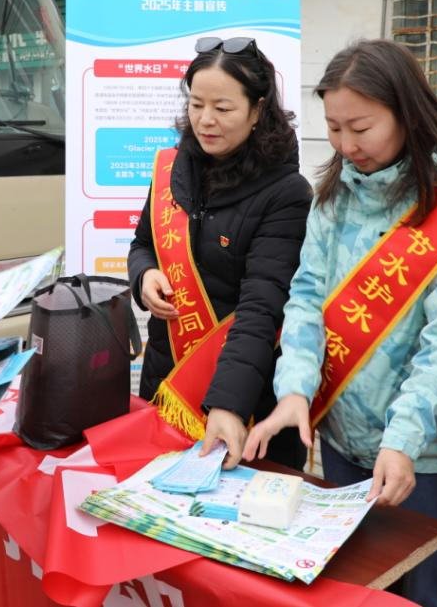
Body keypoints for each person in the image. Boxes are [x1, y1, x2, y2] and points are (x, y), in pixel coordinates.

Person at [244, 39, 437, 607]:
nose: (346, 145)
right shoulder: (333, 197)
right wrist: (294, 391)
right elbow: (306, 297)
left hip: (425, 455)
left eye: (360, 127)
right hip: (342, 437)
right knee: (349, 586)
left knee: (416, 588)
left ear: (407, 114)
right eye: (334, 128)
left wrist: (403, 442)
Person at [128, 36, 312, 470]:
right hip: (167, 379)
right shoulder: (173, 169)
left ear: (258, 110)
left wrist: (227, 405)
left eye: (223, 108)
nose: (205, 120)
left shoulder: (286, 193)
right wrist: (144, 275)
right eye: (196, 105)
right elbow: (142, 244)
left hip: (246, 397)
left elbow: (262, 307)